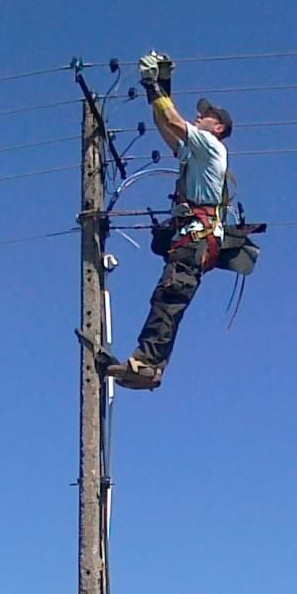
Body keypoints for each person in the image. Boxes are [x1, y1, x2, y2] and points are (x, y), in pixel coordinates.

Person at [105, 51, 234, 391]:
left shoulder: (211, 146)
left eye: (204, 116)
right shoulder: (196, 153)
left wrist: (155, 84)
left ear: (217, 127)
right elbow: (167, 125)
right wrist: (158, 90)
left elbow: (175, 121)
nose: (198, 117)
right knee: (168, 300)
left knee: (168, 299)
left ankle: (146, 363)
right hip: (192, 244)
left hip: (193, 241)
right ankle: (149, 365)